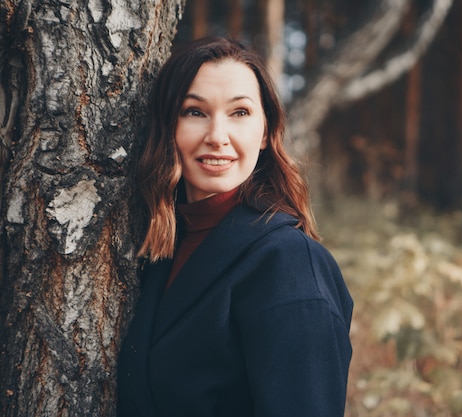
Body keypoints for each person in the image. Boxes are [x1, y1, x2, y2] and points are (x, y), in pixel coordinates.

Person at [116, 36, 353, 417]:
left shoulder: (289, 264)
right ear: (167, 127)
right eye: (195, 112)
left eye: (239, 112)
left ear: (264, 132)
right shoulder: (159, 248)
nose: (217, 136)